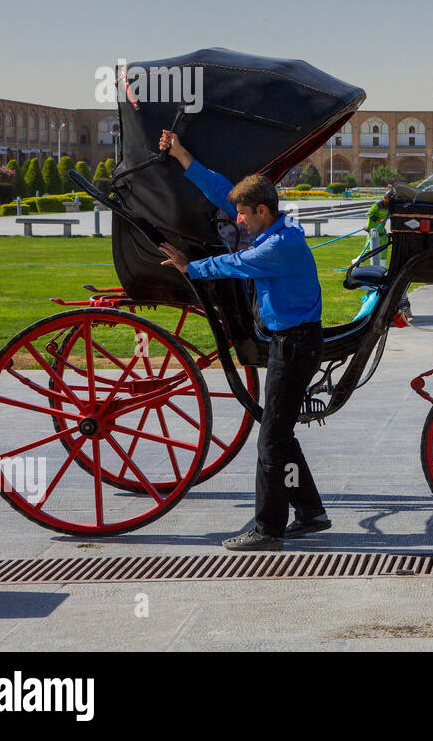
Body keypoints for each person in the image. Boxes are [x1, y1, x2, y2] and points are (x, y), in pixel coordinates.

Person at [155, 130, 331, 551]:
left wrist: (189, 266)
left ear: (262, 211)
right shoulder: (272, 229)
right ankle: (310, 512)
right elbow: (221, 191)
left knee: (271, 438)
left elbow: (236, 263)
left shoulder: (279, 246)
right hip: (291, 342)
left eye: (242, 215)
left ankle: (268, 529)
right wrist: (182, 154)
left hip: (295, 346)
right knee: (281, 433)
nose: (236, 221)